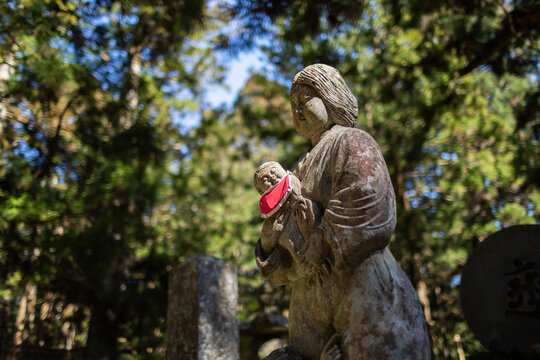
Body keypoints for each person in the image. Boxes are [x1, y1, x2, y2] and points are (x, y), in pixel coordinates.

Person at [255, 64, 431, 360]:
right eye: (293, 104)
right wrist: (269, 244)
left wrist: (322, 240)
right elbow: (283, 254)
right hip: (309, 299)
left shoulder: (352, 141)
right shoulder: (292, 172)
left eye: (306, 99)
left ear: (331, 97)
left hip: (359, 285)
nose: (297, 109)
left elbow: (366, 196)